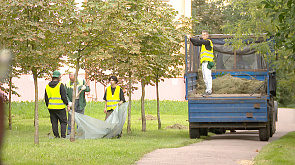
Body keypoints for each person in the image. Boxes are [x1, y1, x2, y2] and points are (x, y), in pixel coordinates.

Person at [45, 71, 70, 138]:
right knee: (63, 122)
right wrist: (67, 104)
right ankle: (63, 136)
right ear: (59, 77)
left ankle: (56, 136)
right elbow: (63, 96)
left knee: (54, 122)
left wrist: (48, 106)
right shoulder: (60, 85)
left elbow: (46, 98)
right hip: (60, 107)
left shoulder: (47, 86)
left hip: (51, 107)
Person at [190, 30, 214, 97]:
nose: (203, 36)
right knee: (204, 77)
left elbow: (199, 41)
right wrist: (190, 39)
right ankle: (207, 90)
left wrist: (191, 38)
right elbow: (196, 43)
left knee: (207, 77)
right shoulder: (204, 44)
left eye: (204, 35)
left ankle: (209, 91)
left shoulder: (208, 42)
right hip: (204, 62)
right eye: (202, 35)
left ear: (207, 35)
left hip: (208, 62)